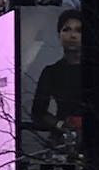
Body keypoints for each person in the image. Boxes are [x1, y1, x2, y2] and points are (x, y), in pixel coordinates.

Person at [31, 8, 82, 144]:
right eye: (67, 30)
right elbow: (38, 112)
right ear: (59, 34)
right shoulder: (51, 72)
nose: (72, 36)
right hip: (64, 139)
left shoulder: (98, 70)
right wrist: (61, 125)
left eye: (78, 31)